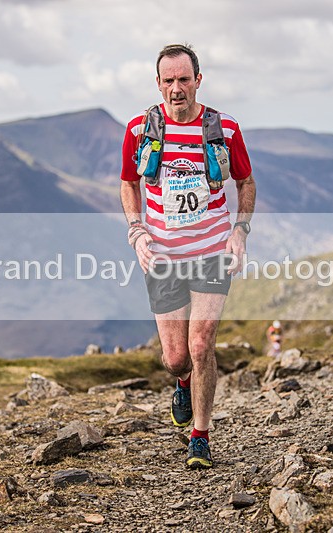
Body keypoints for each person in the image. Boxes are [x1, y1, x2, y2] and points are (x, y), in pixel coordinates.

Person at [119, 44, 256, 469]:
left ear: (199, 79)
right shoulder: (140, 128)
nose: (176, 88)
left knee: (201, 345)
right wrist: (137, 230)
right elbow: (129, 184)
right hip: (162, 256)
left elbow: (246, 183)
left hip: (212, 251)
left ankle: (200, 434)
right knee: (177, 357)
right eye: (168, 80)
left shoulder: (225, 129)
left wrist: (240, 231)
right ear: (158, 83)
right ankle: (181, 381)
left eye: (184, 79)